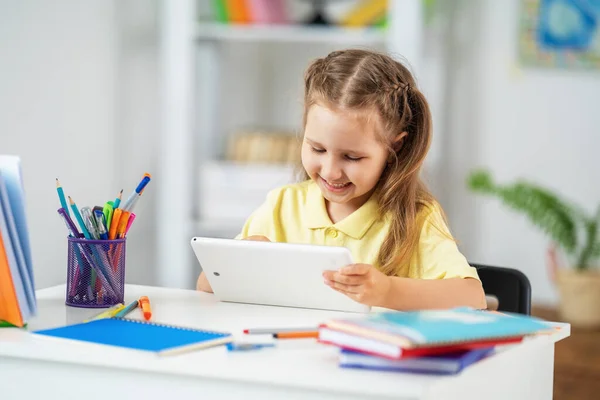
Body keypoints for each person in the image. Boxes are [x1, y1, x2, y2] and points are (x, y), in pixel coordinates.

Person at [197, 49, 486, 311]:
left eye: (352, 157)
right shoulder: (283, 205)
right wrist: (238, 263)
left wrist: (386, 291)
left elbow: (473, 297)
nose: (331, 171)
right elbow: (205, 286)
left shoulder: (415, 217)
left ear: (394, 148)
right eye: (317, 149)